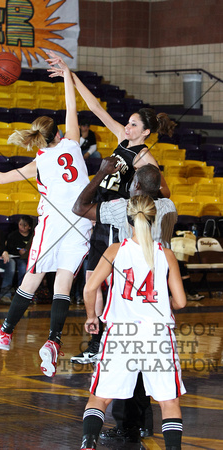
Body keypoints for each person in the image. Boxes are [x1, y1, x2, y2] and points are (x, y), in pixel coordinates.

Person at [0, 51, 92, 377]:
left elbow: (2, 178)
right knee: (63, 285)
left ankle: (5, 332)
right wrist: (67, 75)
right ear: (59, 134)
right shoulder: (73, 143)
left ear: (38, 141)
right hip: (82, 225)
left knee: (31, 279)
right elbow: (72, 107)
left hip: (53, 224)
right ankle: (54, 340)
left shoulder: (38, 163)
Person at [48, 54, 175, 363]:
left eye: (133, 124)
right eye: (128, 123)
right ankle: (97, 341)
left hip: (117, 216)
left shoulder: (145, 158)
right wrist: (69, 74)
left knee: (104, 279)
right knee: (93, 277)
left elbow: (164, 191)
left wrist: (142, 198)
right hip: (100, 210)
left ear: (144, 132)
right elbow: (94, 107)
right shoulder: (121, 138)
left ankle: (108, 341)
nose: (127, 126)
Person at [72, 160, 177, 441]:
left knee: (108, 390)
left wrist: (103, 173)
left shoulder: (121, 211)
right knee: (161, 392)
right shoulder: (169, 207)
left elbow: (79, 208)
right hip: (156, 301)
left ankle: (120, 428)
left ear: (137, 187)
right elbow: (162, 190)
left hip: (125, 311)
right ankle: (142, 425)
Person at [6, 215, 34, 285]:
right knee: (23, 266)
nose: (22, 227)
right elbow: (9, 249)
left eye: (25, 225)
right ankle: (21, 288)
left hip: (31, 258)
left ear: (29, 227)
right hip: (17, 258)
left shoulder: (33, 236)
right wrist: (18, 252)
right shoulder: (13, 236)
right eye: (20, 224)